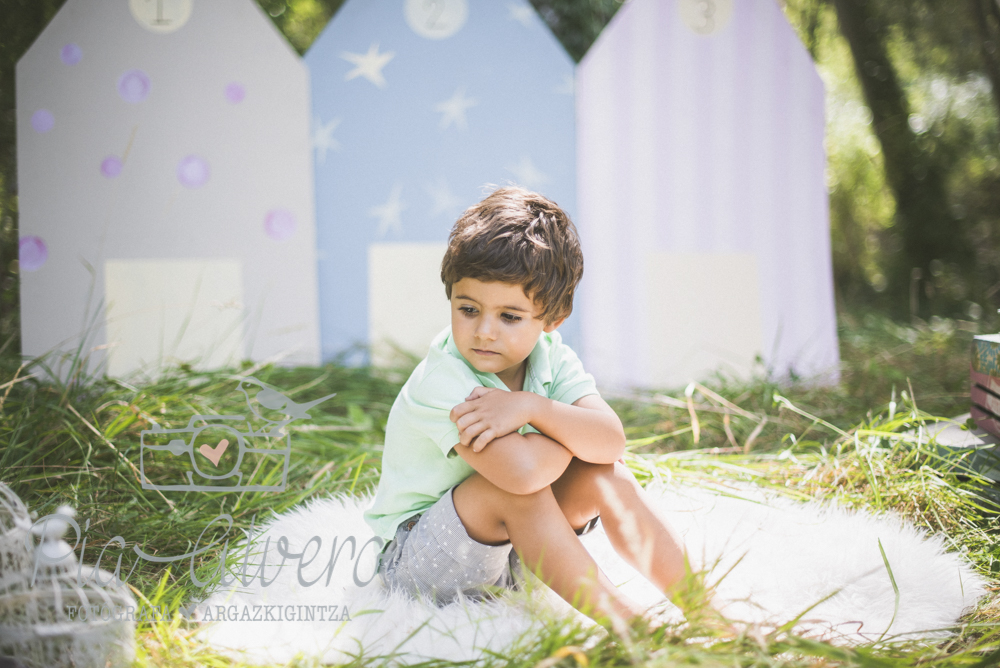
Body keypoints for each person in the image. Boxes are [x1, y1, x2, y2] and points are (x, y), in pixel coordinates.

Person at [364, 186, 693, 630]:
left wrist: (532, 407)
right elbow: (521, 475)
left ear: (551, 319)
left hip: (515, 556)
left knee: (606, 477)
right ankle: (633, 628)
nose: (484, 332)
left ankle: (707, 612)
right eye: (468, 308)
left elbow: (611, 443)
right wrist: (569, 436)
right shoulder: (444, 380)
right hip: (422, 563)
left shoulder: (551, 357)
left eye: (510, 317)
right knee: (515, 488)